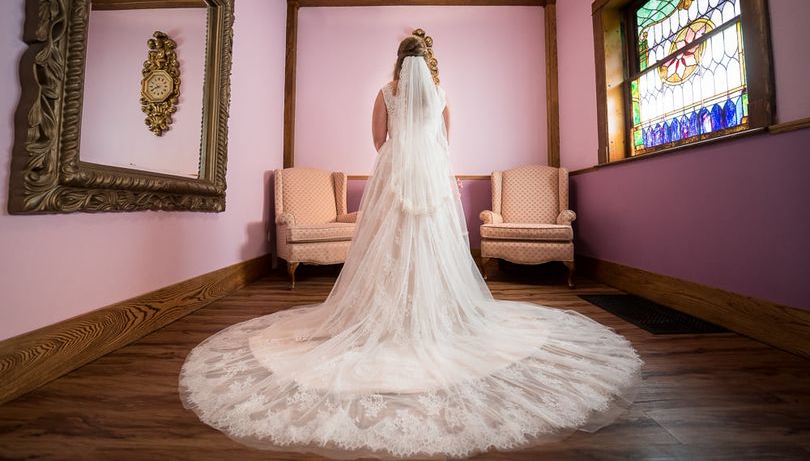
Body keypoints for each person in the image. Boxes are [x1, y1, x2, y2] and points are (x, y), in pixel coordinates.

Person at [179, 35, 643, 459]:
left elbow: (379, 141)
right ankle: (435, 309)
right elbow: (445, 142)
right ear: (428, 62)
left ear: (399, 62)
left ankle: (381, 312)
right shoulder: (441, 94)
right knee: (432, 244)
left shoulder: (387, 91)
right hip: (432, 179)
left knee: (388, 244)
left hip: (394, 176)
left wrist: (399, 150)